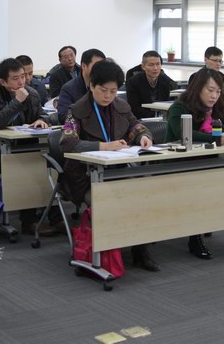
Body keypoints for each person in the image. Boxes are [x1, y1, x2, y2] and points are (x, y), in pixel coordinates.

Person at [60, 60, 160, 272]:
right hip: (85, 176)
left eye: (113, 91)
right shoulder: (76, 110)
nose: (108, 96)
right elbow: (67, 142)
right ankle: (103, 251)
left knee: (142, 196)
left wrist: (143, 137)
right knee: (109, 201)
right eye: (103, 90)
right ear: (92, 86)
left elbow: (136, 126)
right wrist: (103, 146)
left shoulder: (121, 106)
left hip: (118, 172)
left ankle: (140, 251)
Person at [166, 68, 224, 259]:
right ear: (198, 89)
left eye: (218, 91)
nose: (214, 96)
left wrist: (219, 132)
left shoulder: (218, 106)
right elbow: (184, 134)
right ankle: (195, 237)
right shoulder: (179, 107)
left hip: (211, 161)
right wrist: (214, 137)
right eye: (210, 90)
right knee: (199, 188)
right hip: (180, 163)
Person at [0, 58, 59, 236]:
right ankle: (28, 221)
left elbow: (42, 114)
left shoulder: (31, 92)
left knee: (46, 165)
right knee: (27, 168)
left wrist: (41, 120)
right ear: (3, 81)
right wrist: (17, 101)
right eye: (15, 78)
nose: (22, 81)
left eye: (23, 76)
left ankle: (56, 218)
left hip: (27, 141)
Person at [57, 48, 106, 124]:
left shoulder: (106, 86)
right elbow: (63, 116)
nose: (100, 70)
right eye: (96, 66)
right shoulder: (69, 89)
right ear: (83, 66)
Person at [126, 50, 178, 119]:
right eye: (151, 65)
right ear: (143, 66)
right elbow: (134, 107)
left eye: (158, 64)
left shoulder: (165, 80)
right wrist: (153, 116)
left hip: (161, 118)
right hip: (141, 118)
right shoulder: (134, 82)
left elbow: (165, 103)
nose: (155, 68)